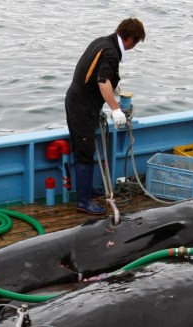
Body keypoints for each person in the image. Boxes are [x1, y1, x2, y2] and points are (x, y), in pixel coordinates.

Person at [65, 18, 146, 215]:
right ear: (129, 39)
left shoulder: (102, 41)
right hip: (82, 107)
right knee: (84, 151)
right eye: (135, 43)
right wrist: (116, 109)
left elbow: (93, 74)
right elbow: (102, 81)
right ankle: (83, 201)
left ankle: (87, 191)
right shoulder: (111, 53)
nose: (133, 47)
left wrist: (112, 85)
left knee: (85, 148)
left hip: (78, 101)